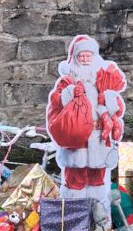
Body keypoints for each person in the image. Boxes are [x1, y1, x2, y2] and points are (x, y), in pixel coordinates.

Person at [46, 35, 127, 214]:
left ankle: (97, 215)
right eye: (81, 56)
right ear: (75, 58)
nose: (84, 59)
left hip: (98, 137)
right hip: (77, 139)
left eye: (88, 55)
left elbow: (117, 109)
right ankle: (74, 215)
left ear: (94, 57)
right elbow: (55, 100)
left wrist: (109, 100)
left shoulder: (103, 80)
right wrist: (69, 93)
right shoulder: (67, 80)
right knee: (75, 178)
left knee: (97, 178)